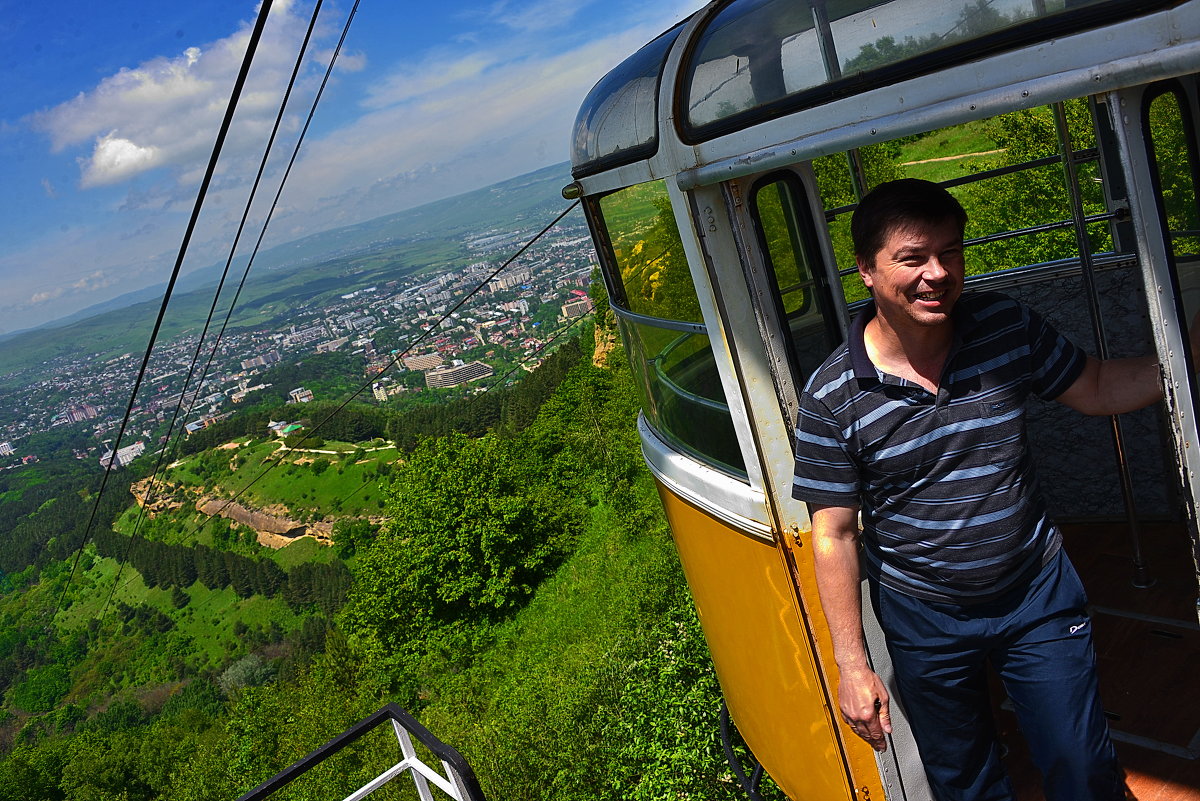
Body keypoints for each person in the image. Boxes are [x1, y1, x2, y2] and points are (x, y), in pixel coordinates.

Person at [791, 178, 1165, 800]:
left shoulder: (1003, 326)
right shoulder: (832, 397)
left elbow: (1095, 386)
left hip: (1033, 591)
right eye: (913, 258)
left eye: (951, 252)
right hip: (923, 613)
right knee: (964, 780)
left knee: (1082, 766)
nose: (937, 273)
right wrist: (853, 666)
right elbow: (833, 533)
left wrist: (1184, 360)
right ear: (865, 269)